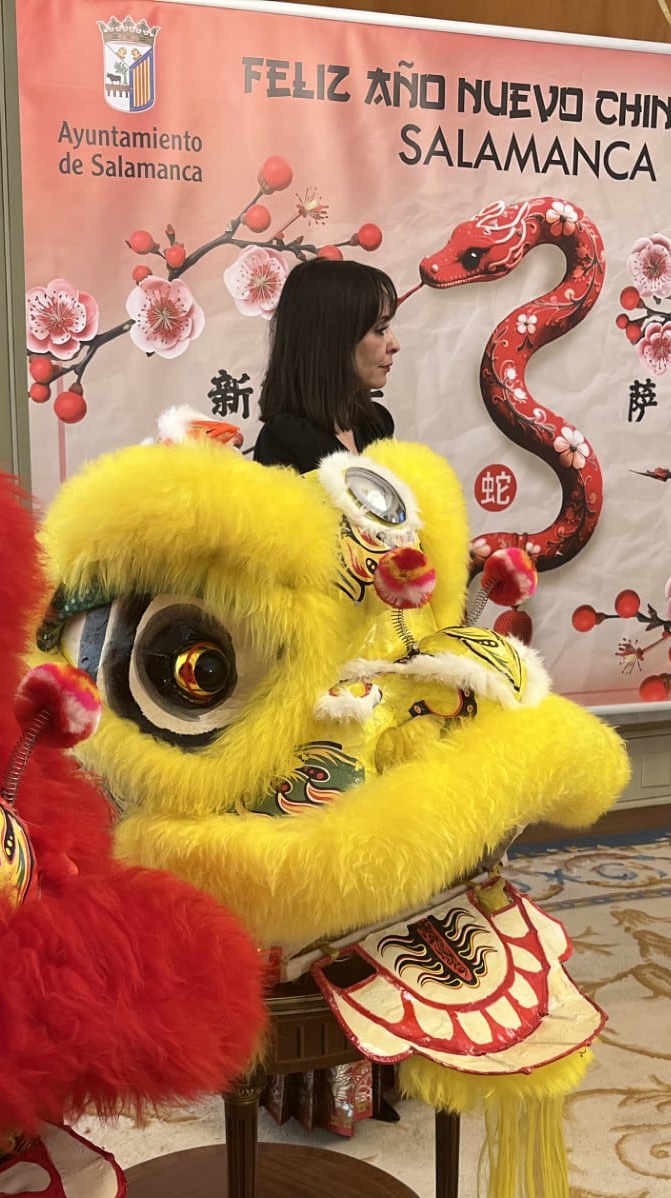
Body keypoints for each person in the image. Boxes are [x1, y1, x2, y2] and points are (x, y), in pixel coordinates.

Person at [252, 257, 402, 1136]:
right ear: (331, 339)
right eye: (376, 327)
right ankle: (306, 1079)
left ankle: (381, 1061)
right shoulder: (280, 451)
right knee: (320, 879)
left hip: (380, 677)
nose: (391, 343)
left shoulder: (379, 431)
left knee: (384, 874)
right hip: (309, 693)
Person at [252, 257, 400, 473]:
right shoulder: (283, 441)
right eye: (380, 329)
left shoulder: (376, 424)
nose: (394, 345)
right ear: (333, 339)